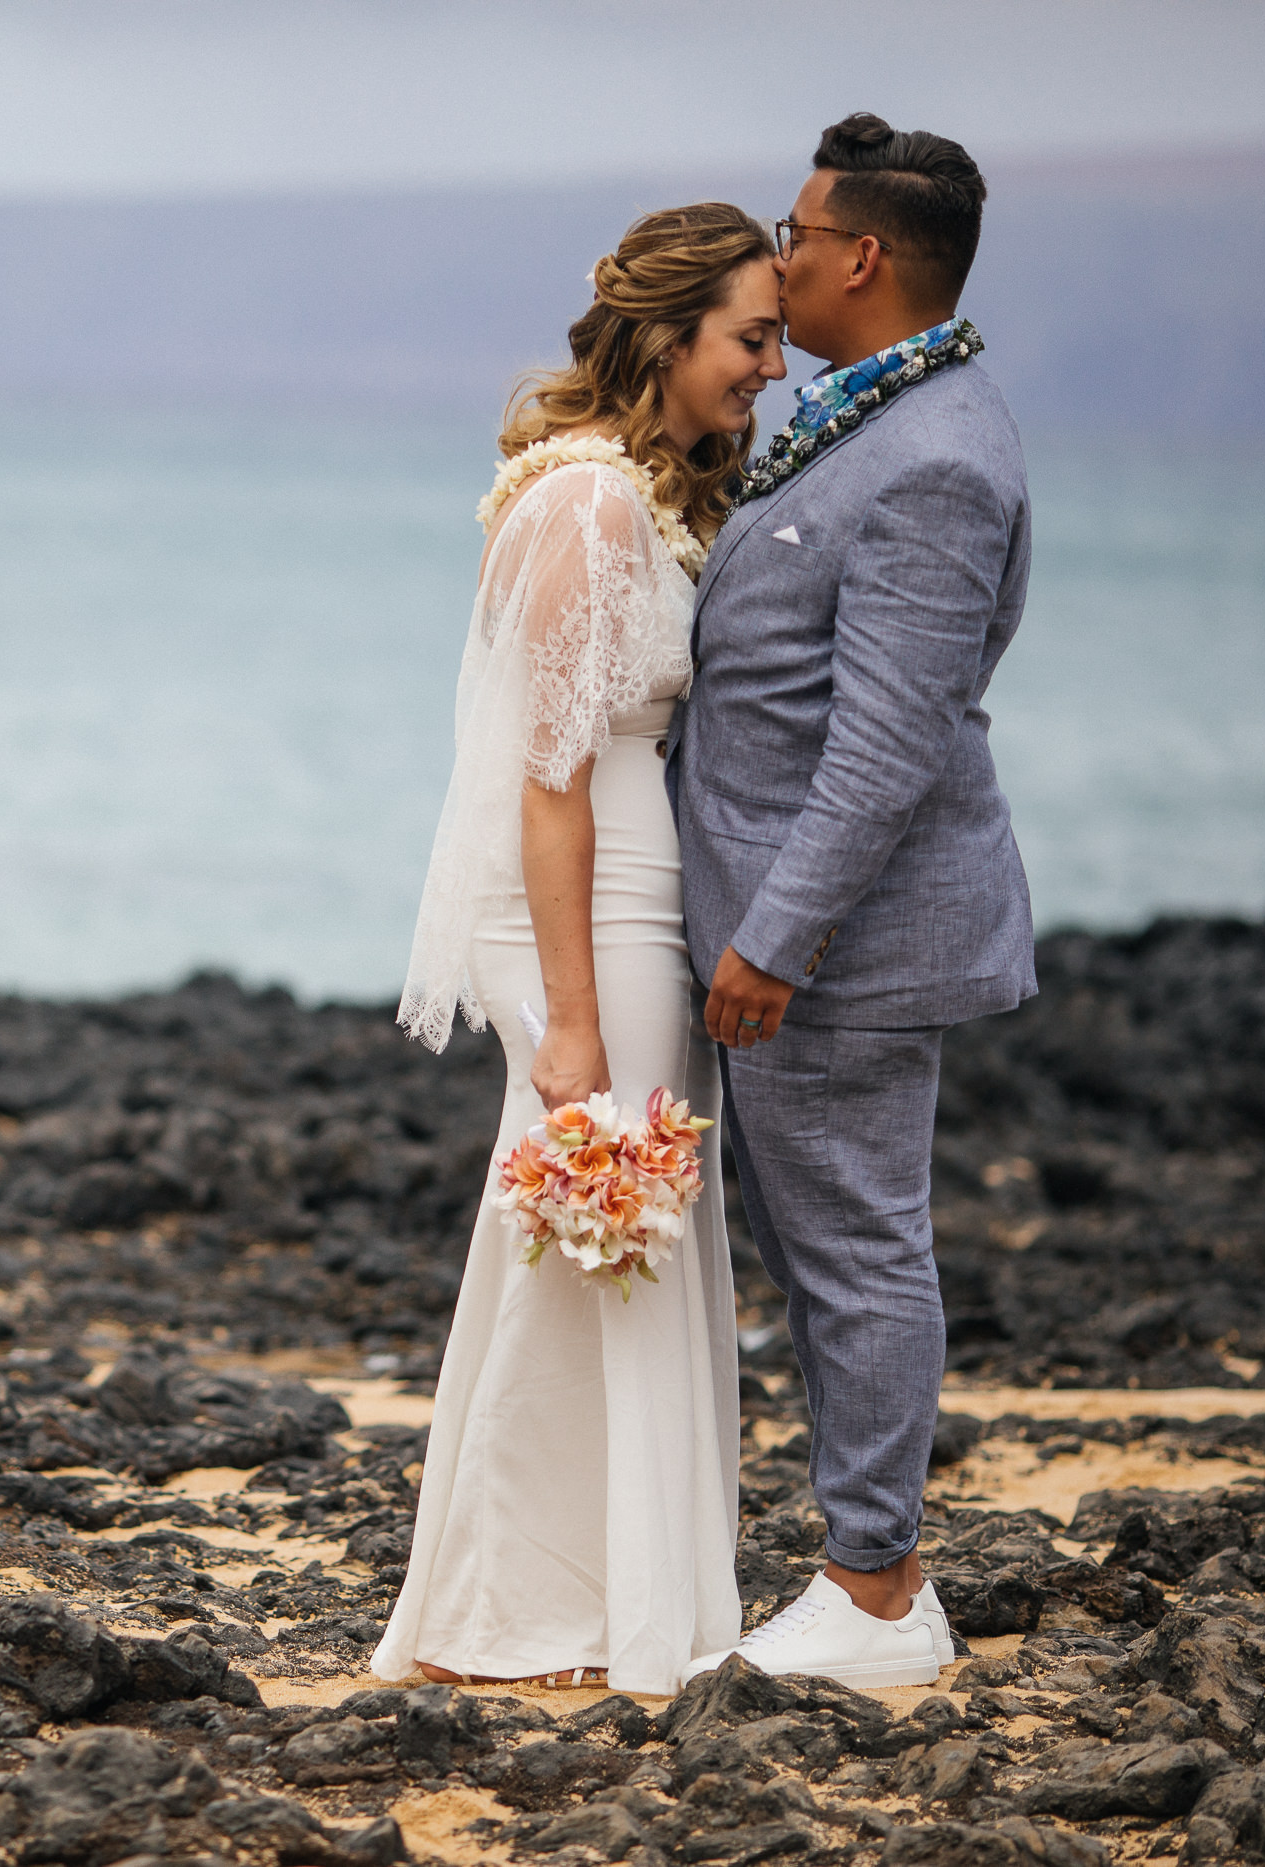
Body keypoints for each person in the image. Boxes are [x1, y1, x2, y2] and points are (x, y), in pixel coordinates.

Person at [376, 203, 787, 1696]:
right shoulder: (591, 508)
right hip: (585, 912)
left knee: (612, 1243)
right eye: (751, 338)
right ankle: (535, 1607)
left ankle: (600, 1594)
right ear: (670, 335)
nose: (768, 368)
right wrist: (570, 1024)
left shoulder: (628, 496)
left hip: (625, 901)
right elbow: (549, 785)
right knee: (601, 1239)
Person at [669, 114, 1034, 1689]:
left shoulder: (940, 456)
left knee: (863, 1256)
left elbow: (888, 747)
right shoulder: (872, 416)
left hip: (838, 952)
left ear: (864, 256)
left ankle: (878, 1589)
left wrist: (772, 938)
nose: (785, 251)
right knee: (828, 1252)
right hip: (797, 938)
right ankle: (865, 1564)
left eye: (799, 233)